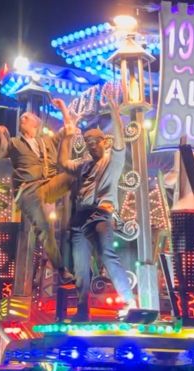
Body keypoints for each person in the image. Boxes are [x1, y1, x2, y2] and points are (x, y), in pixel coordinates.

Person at [59, 94, 136, 321]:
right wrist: (67, 135)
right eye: (88, 143)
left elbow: (121, 145)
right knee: (80, 265)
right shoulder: (84, 165)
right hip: (80, 217)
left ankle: (130, 301)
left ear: (104, 142)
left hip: (100, 213)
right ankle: (82, 308)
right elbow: (63, 163)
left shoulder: (112, 159)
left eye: (95, 142)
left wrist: (115, 114)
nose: (92, 147)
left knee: (105, 252)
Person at [0, 99, 78, 285]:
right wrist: (0, 134)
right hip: (28, 191)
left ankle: (83, 212)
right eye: (22, 118)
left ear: (36, 124)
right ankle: (61, 270)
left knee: (76, 174)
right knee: (46, 229)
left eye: (26, 118)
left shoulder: (46, 141)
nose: (22, 119)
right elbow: (1, 152)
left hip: (48, 184)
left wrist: (63, 107)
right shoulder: (15, 143)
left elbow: (69, 128)